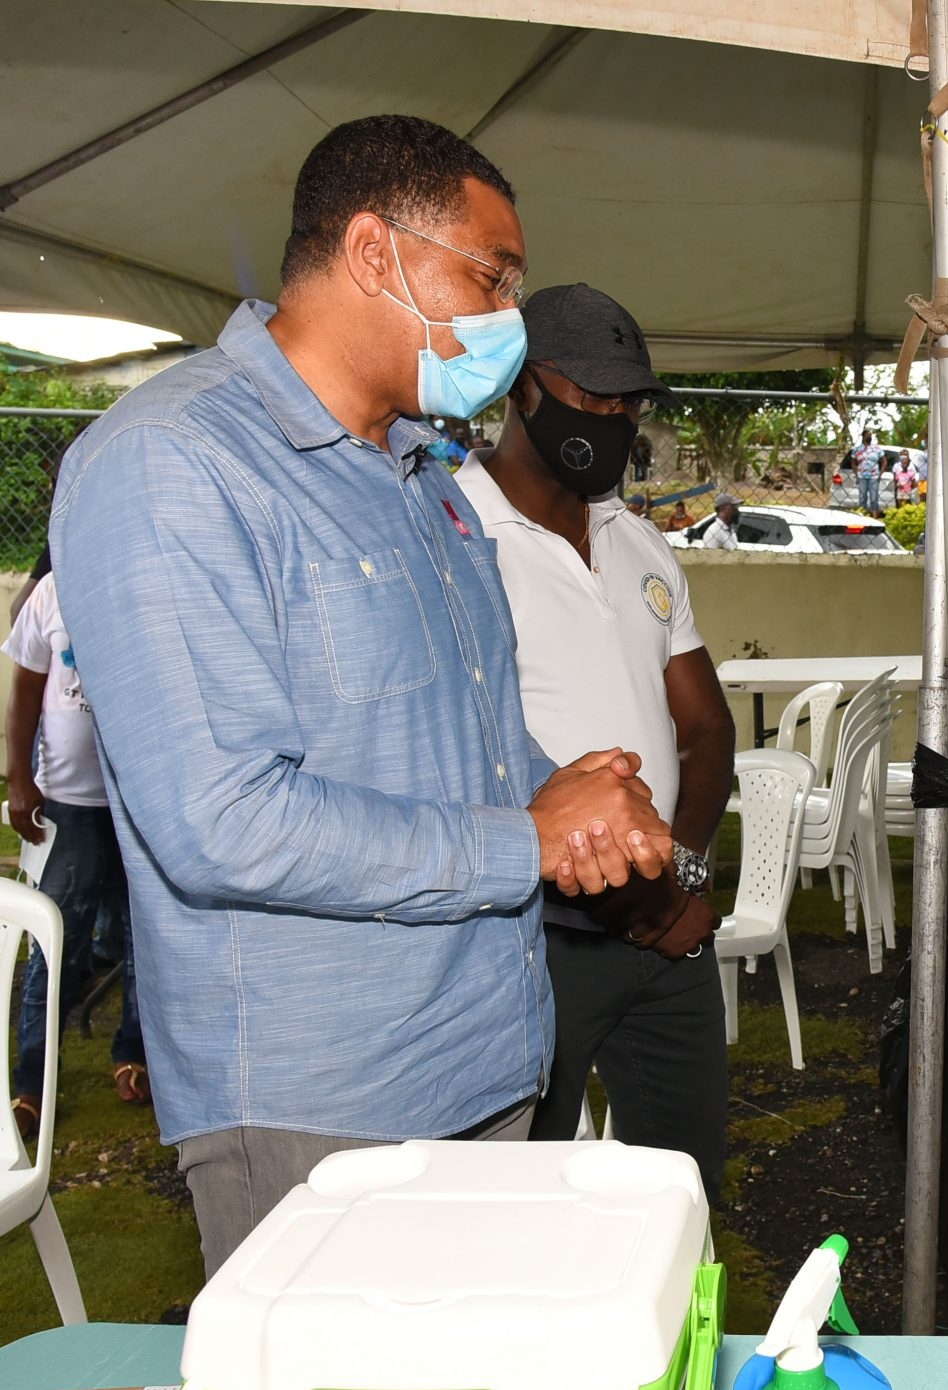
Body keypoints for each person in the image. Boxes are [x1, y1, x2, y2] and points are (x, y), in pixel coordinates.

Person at [49, 115, 673, 1274]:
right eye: (491, 278)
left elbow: (456, 734)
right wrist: (521, 842)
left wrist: (565, 793)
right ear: (375, 251)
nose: (507, 318)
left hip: (487, 1057)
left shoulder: (416, 475)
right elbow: (219, 820)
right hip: (321, 1101)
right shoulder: (172, 464)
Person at [458, 283, 736, 1185]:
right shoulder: (454, 537)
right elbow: (463, 757)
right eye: (596, 395)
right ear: (522, 388)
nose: (618, 418)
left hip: (669, 931)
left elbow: (706, 727)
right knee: (514, 1202)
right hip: (535, 937)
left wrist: (678, 880)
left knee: (683, 1191)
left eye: (631, 401)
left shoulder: (638, 540)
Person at [5, 573, 149, 1137]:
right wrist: (18, 777)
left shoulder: (143, 577)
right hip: (69, 804)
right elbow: (23, 691)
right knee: (56, 942)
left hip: (138, 804)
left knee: (145, 942)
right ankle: (30, 1085)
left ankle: (132, 1054)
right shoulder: (50, 591)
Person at [848, 429, 884, 513]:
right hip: (861, 476)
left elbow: (884, 461)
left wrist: (880, 473)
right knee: (862, 497)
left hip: (874, 476)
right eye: (868, 435)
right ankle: (863, 514)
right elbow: (853, 463)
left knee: (874, 498)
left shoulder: (877, 449)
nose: (870, 437)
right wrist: (857, 473)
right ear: (863, 436)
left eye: (871, 435)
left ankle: (874, 515)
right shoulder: (857, 449)